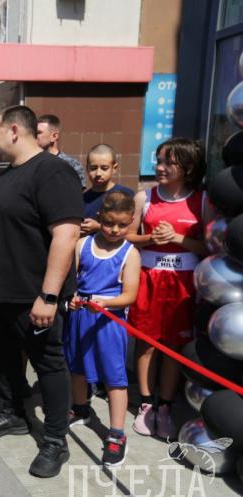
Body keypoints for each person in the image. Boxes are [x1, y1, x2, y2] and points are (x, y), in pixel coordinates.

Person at [0, 105, 82, 478]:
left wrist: (49, 296)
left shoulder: (52, 172)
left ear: (15, 130)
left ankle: (55, 440)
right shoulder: (5, 176)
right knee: (6, 358)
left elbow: (66, 234)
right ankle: (15, 413)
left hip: (33, 296)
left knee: (48, 364)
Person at [127, 138, 208, 440]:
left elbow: (210, 246)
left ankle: (165, 407)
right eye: (158, 160)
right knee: (146, 343)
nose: (159, 167)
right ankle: (146, 404)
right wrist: (151, 239)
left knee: (173, 346)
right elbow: (128, 236)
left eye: (167, 162)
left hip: (184, 282)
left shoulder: (202, 200)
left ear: (188, 168)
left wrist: (178, 238)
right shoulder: (144, 197)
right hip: (147, 278)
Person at [64, 191, 140, 467]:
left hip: (109, 321)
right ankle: (80, 408)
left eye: (122, 225)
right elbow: (71, 280)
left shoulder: (130, 253)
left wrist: (106, 302)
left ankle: (117, 433)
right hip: (81, 316)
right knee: (77, 367)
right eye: (109, 223)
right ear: (99, 218)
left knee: (114, 377)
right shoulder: (82, 244)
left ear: (131, 221)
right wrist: (71, 298)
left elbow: (129, 295)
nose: (115, 230)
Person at [81, 144, 134, 236]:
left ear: (114, 168)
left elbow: (131, 231)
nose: (98, 173)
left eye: (104, 168)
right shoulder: (83, 198)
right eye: (93, 168)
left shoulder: (126, 194)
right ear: (87, 168)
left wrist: (98, 227)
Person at [37, 114, 86, 189]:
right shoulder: (31, 163)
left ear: (54, 136)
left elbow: (77, 192)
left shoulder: (72, 165)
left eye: (38, 133)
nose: (34, 136)